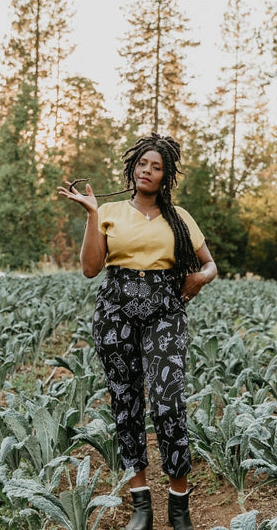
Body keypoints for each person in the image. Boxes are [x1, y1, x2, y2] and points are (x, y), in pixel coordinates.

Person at [58, 133, 217, 530]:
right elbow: (91, 268)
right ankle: (141, 506)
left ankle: (179, 507)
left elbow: (210, 264)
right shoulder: (109, 211)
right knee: (126, 404)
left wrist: (200, 279)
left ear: (165, 177)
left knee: (168, 403)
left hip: (165, 309)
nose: (147, 171)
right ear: (132, 169)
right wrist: (92, 216)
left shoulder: (179, 217)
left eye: (156, 167)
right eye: (142, 164)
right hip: (115, 312)